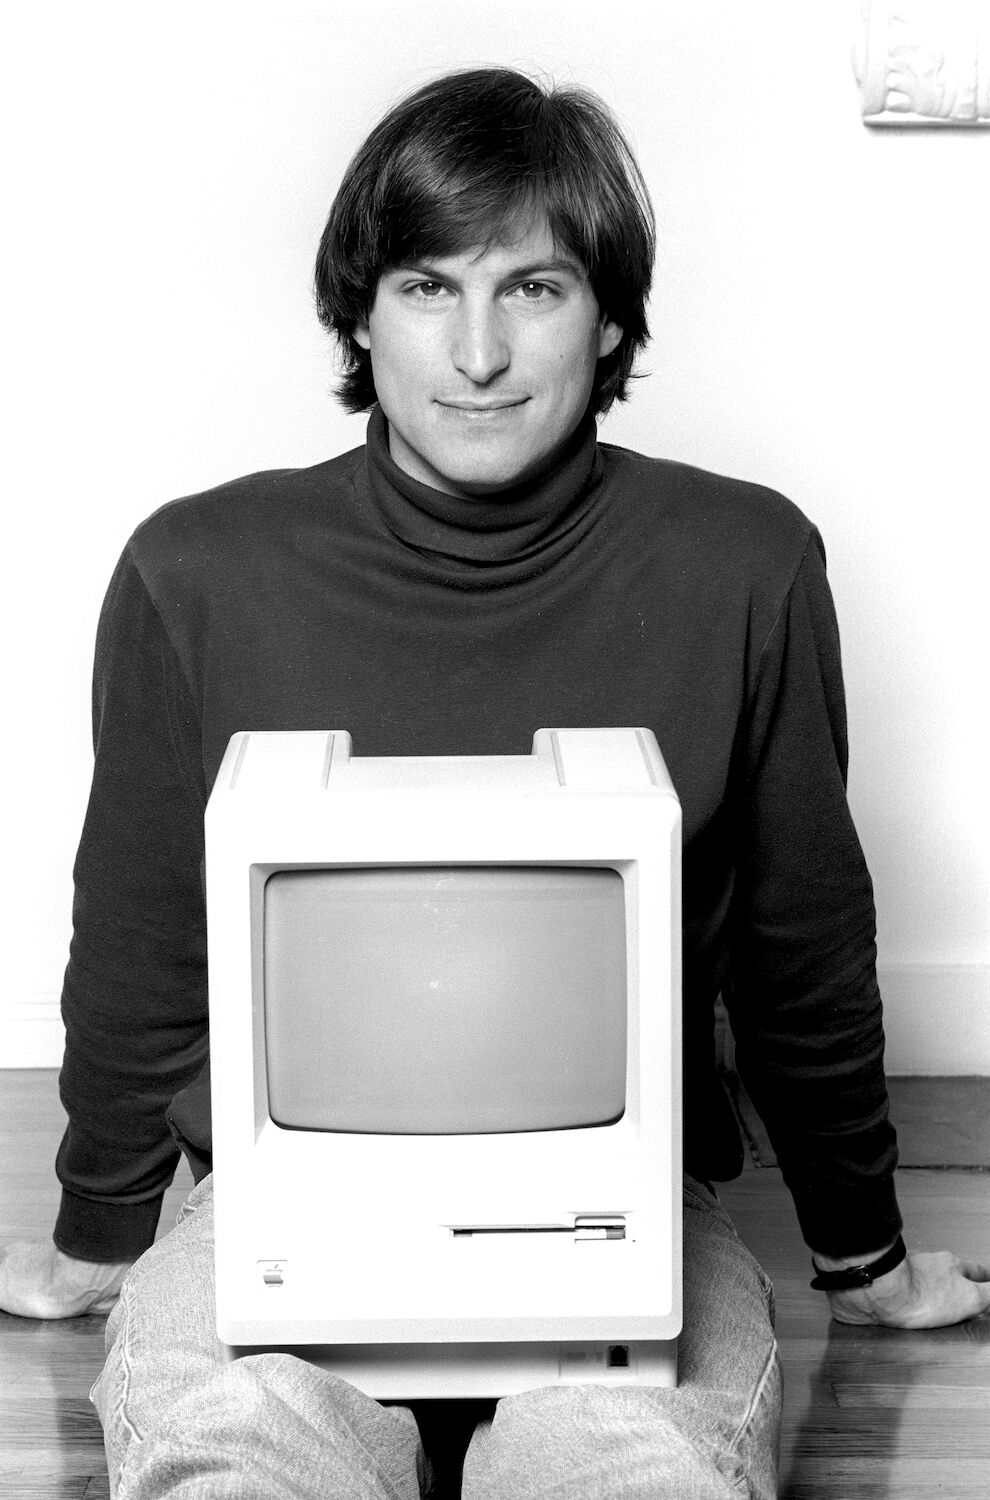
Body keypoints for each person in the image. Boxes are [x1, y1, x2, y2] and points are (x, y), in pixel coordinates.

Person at [2, 65, 988, 1498]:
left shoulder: (743, 564)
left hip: (621, 1216)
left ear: (609, 320)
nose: (475, 351)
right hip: (282, 1211)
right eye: (423, 286)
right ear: (358, 310)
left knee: (637, 1459)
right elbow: (146, 928)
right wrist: (101, 1230)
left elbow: (799, 941)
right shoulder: (198, 572)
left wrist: (861, 1253)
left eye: (530, 288)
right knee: (234, 1454)